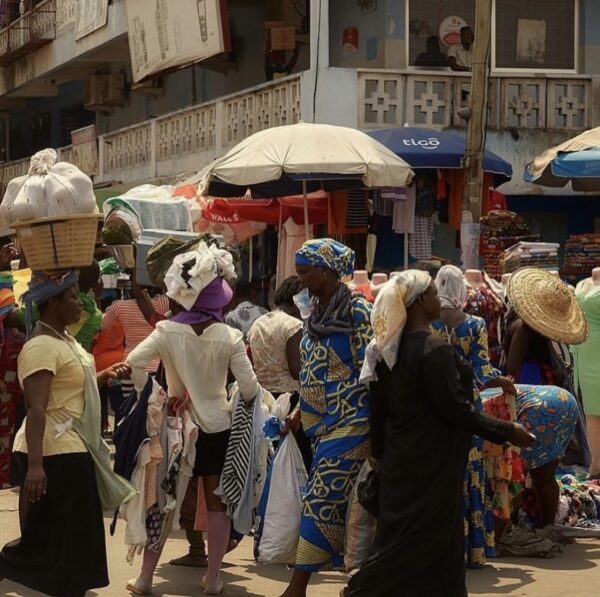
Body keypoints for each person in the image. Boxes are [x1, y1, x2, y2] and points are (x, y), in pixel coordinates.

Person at [344, 271, 534, 597]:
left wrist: (379, 458)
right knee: (425, 546)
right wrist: (507, 431)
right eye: (432, 293)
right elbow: (458, 411)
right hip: (431, 465)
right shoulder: (433, 351)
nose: (438, 299)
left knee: (406, 543)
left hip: (401, 463)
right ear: (419, 303)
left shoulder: (385, 351)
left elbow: (378, 412)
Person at [126, 244, 259, 596]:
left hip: (177, 427)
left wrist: (159, 396)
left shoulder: (167, 331)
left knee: (165, 501)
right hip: (217, 427)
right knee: (217, 504)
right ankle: (213, 579)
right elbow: (249, 388)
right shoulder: (230, 337)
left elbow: (135, 361)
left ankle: (144, 579)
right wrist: (232, 401)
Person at [0, 270, 133, 597]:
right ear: (52, 302)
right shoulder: (41, 346)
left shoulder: (66, 341)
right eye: (73, 296)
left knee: (68, 542)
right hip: (52, 453)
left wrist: (103, 375)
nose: (81, 302)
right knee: (54, 542)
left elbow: (69, 388)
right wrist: (34, 466)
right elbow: (36, 408)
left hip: (73, 450)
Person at [279, 239, 372, 597]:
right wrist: (303, 410)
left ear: (328, 271)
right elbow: (314, 369)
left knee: (321, 499)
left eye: (305, 272)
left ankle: (297, 587)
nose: (301, 280)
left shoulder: (358, 312)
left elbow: (373, 368)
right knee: (341, 506)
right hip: (323, 425)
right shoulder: (315, 313)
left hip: (354, 421)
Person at [431, 265, 516, 565]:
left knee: (440, 474)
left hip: (435, 408)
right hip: (468, 408)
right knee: (473, 478)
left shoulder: (428, 323)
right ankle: (473, 550)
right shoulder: (474, 324)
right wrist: (504, 381)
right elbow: (482, 371)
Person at [502, 267, 584, 527]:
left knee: (518, 465)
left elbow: (512, 369)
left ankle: (513, 523)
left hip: (529, 389)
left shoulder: (521, 327)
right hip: (546, 386)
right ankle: (545, 524)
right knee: (544, 469)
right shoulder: (539, 329)